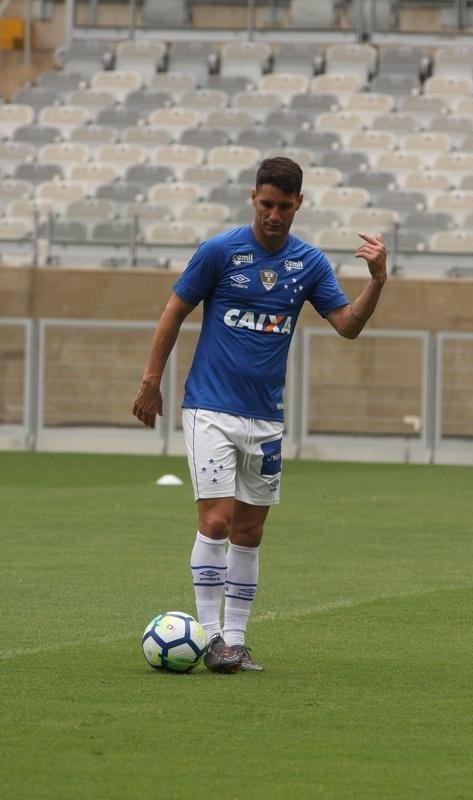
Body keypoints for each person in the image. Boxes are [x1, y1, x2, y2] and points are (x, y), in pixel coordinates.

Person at [132, 157, 387, 673]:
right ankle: (206, 638)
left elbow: (348, 326)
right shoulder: (220, 252)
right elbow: (173, 312)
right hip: (210, 407)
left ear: (299, 205)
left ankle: (236, 640)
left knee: (250, 531)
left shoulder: (309, 264)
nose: (274, 215)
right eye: (266, 204)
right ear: (253, 198)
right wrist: (150, 381)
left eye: (284, 207)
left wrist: (377, 280)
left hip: (266, 417)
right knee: (218, 520)